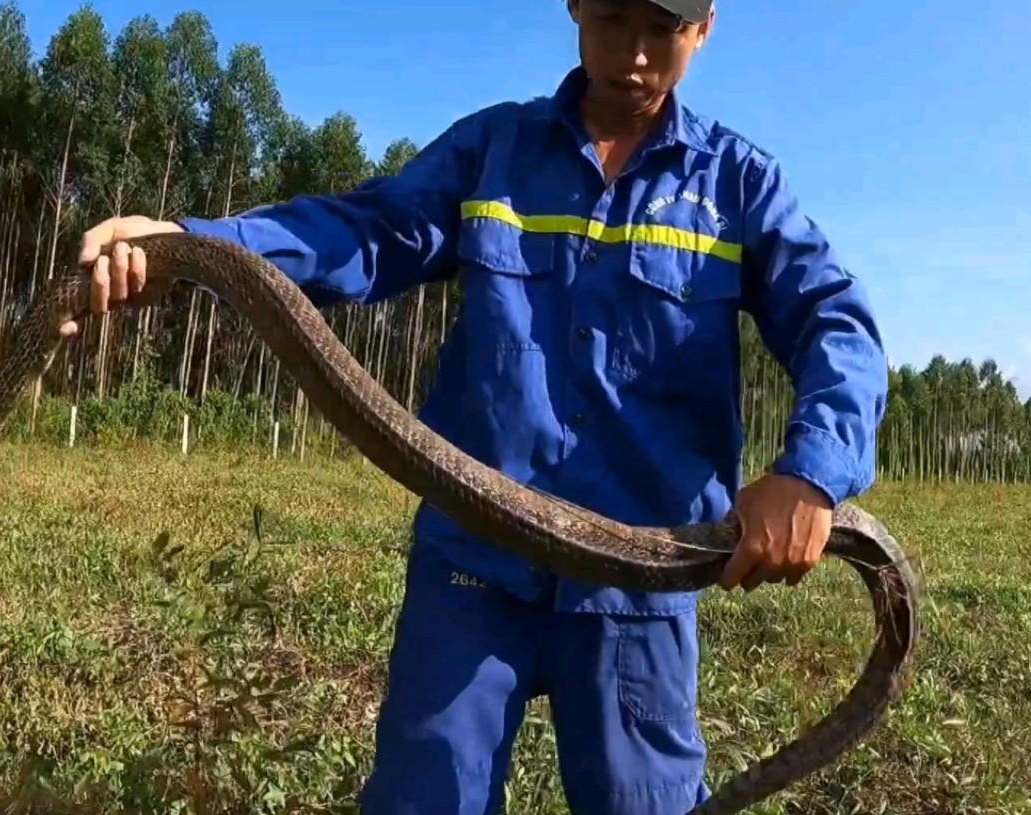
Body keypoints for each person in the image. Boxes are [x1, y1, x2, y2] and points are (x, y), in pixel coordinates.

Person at [68, 0, 889, 811]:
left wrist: (811, 474)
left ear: (704, 28)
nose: (635, 53)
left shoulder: (739, 184)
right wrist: (195, 246)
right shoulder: (494, 150)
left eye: (662, 28)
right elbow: (363, 232)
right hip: (474, 568)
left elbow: (835, 321)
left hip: (638, 589)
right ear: (573, 7)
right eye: (612, 19)